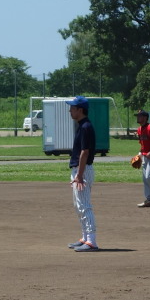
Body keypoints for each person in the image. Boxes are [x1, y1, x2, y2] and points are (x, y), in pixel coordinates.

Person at [66, 97, 99, 252]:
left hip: (83, 170)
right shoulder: (82, 126)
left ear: (80, 110)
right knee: (78, 206)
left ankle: (91, 241)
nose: (70, 111)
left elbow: (85, 152)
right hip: (80, 170)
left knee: (85, 206)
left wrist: (79, 175)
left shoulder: (86, 127)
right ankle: (85, 237)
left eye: (72, 108)